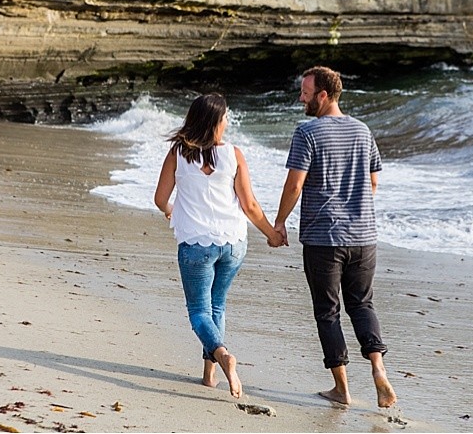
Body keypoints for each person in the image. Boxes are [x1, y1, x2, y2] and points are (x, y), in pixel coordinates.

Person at [274, 66, 397, 409]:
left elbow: (296, 183)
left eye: (305, 92)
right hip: (364, 237)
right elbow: (372, 183)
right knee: (362, 304)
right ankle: (378, 367)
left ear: (323, 95)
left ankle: (342, 389)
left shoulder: (307, 132)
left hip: (323, 238)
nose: (301, 97)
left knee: (327, 311)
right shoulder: (362, 130)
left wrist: (280, 222)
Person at [154, 93, 286, 399]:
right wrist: (271, 233)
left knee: (199, 311)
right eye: (225, 117)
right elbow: (249, 204)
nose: (227, 121)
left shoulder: (178, 153)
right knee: (218, 305)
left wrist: (170, 209)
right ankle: (209, 375)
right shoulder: (234, 154)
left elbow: (160, 198)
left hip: (195, 244)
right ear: (215, 122)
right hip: (233, 243)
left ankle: (223, 355)